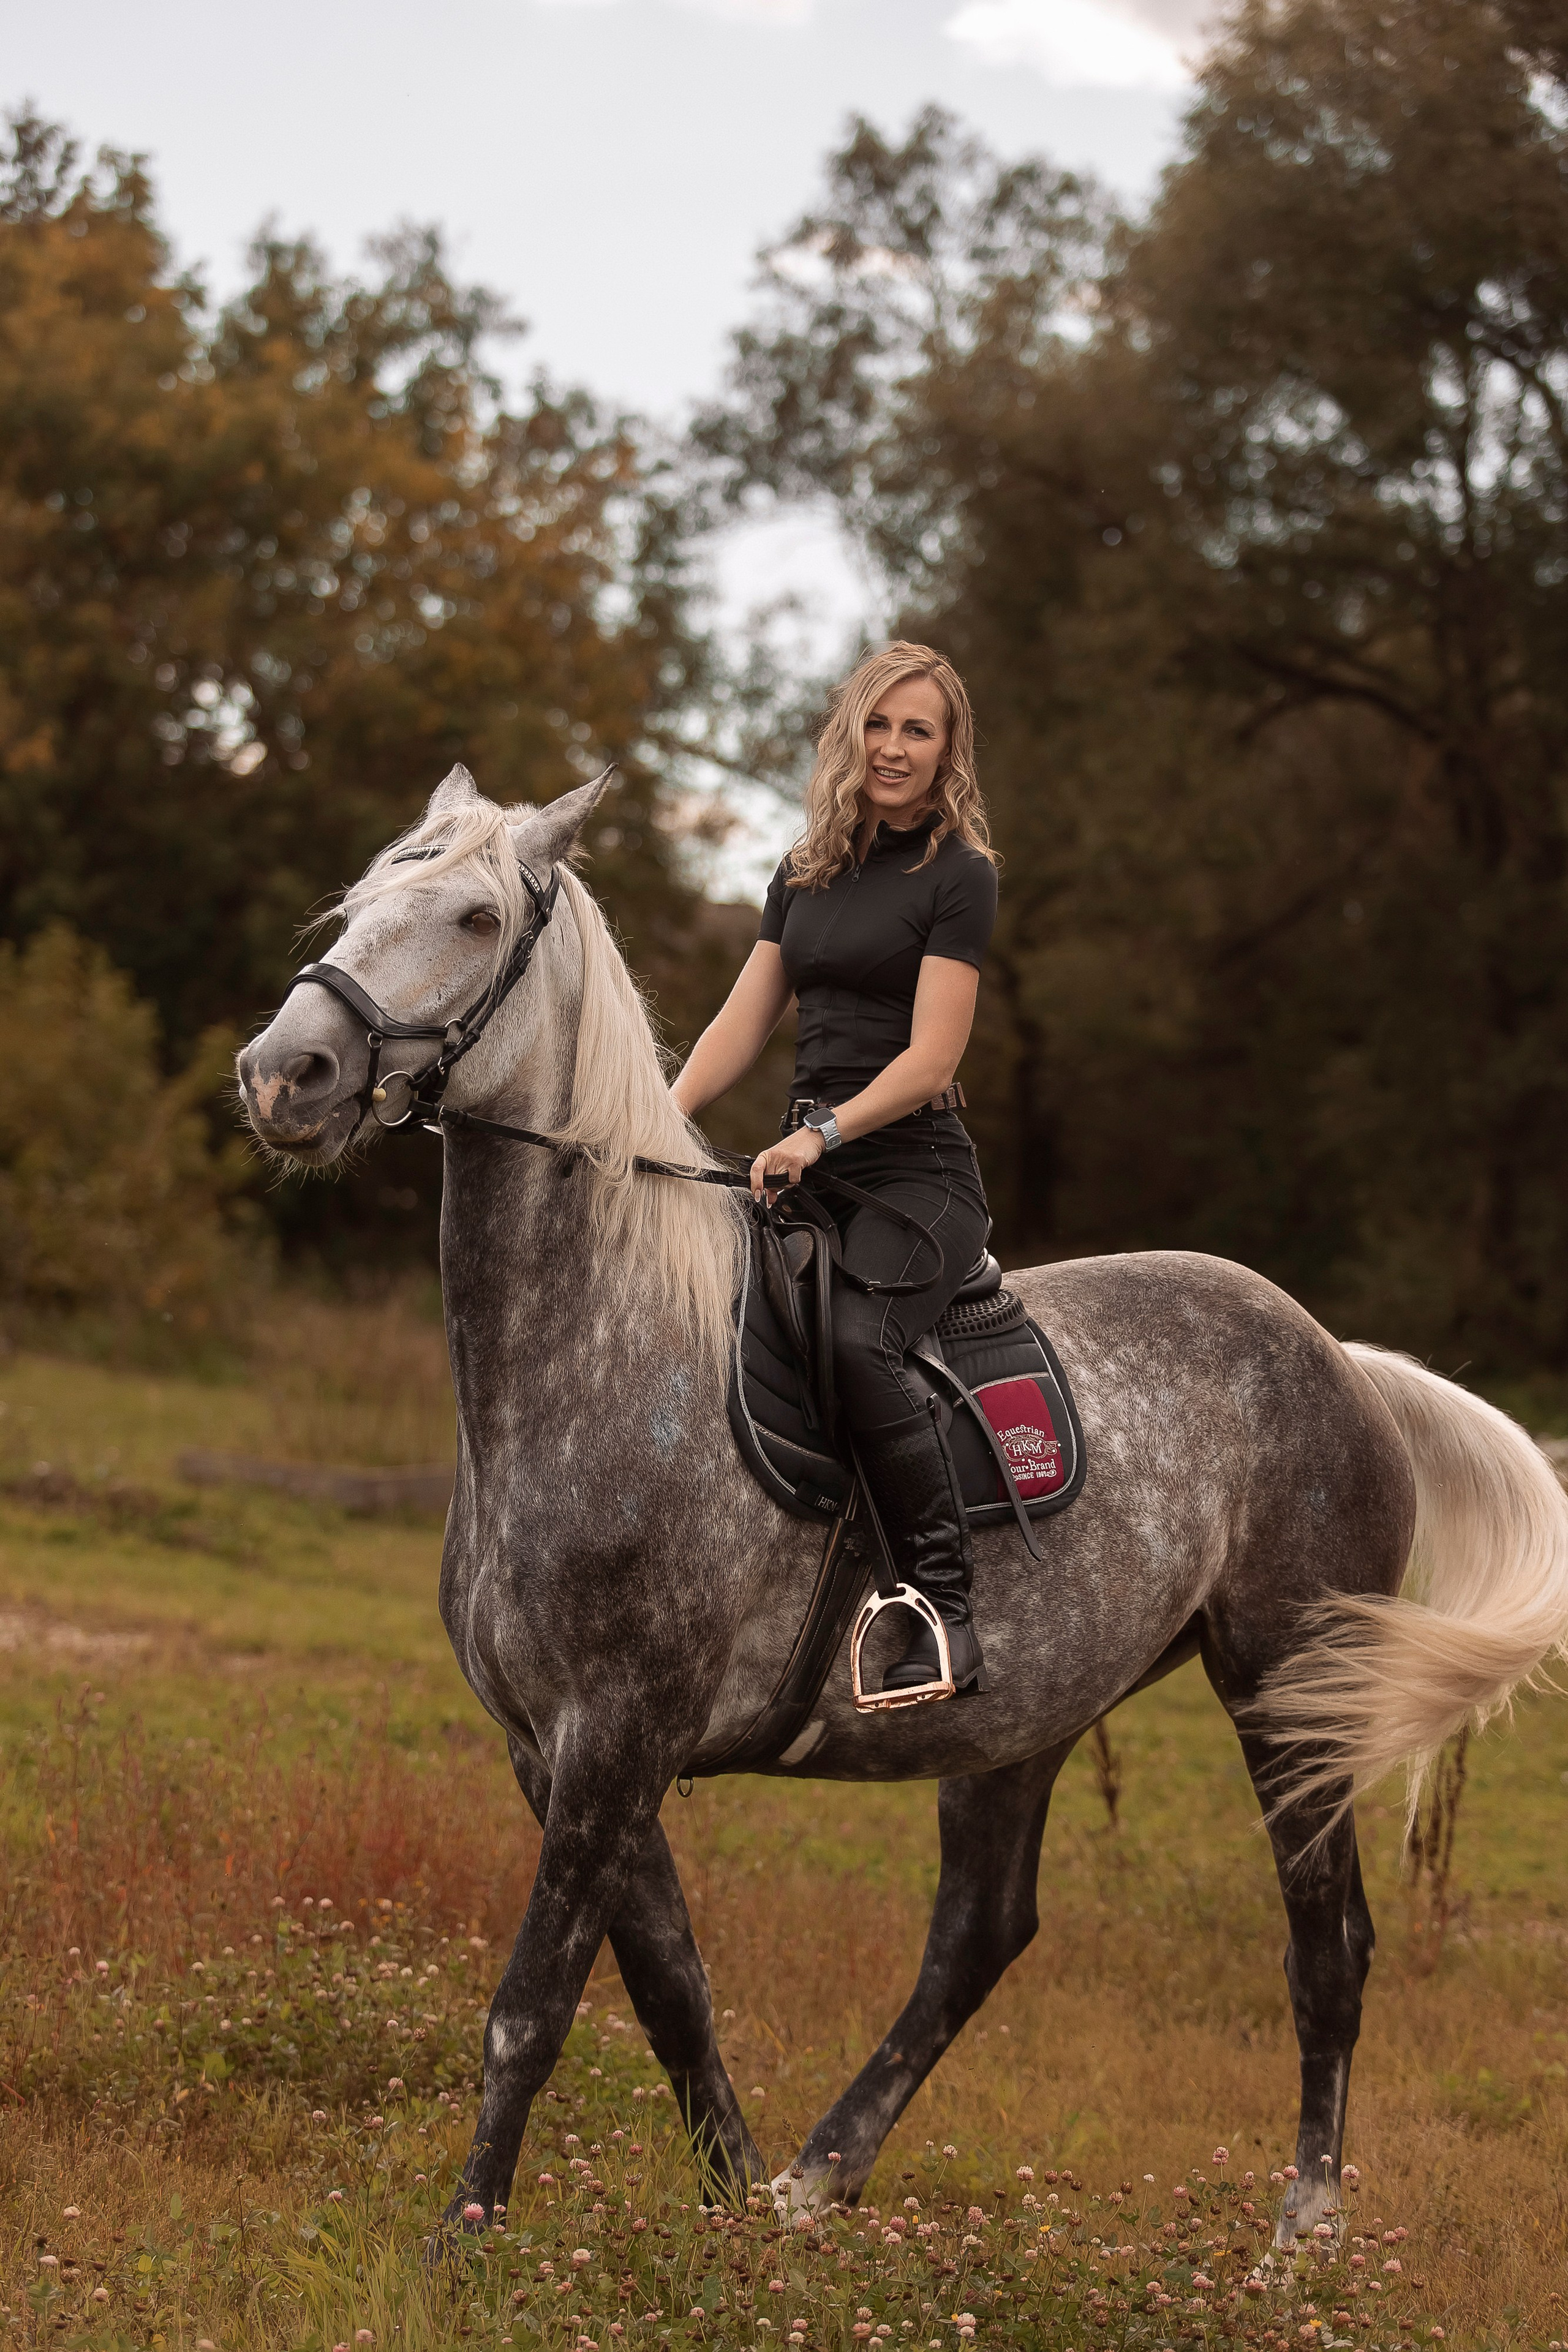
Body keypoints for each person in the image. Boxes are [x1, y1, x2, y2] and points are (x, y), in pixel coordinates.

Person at [671, 641, 999, 1698]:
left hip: (915, 1174)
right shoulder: (805, 867)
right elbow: (741, 1023)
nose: (894, 748)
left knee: (861, 1342)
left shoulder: (960, 877)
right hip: (806, 1167)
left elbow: (932, 1058)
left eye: (920, 730)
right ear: (849, 731)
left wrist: (822, 1133)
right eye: (880, 724)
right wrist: (655, 1121)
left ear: (947, 752)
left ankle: (940, 1608)